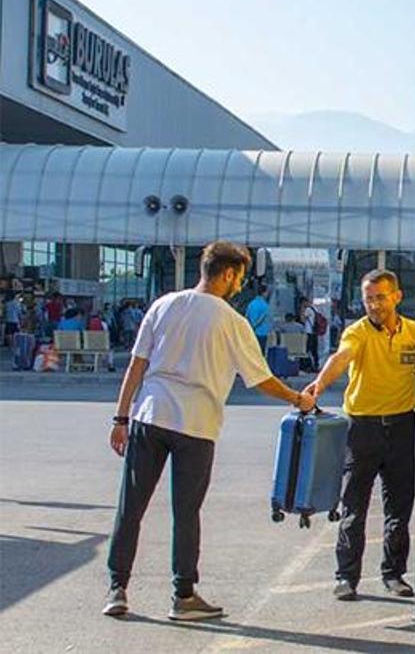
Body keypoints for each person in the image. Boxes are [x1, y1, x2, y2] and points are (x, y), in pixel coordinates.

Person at [102, 241, 316, 620]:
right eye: (240, 277)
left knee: (130, 507)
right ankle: (183, 596)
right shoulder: (232, 322)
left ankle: (117, 589)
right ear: (228, 274)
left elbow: (136, 366)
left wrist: (121, 419)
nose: (240, 285)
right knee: (186, 512)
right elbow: (260, 379)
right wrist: (297, 398)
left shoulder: (164, 304)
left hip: (149, 416)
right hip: (196, 424)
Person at [304, 270, 415, 601]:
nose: (374, 305)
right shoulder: (358, 332)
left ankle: (394, 574)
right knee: (354, 505)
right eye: (369, 299)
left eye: (381, 297)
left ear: (396, 297)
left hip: (402, 425)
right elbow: (341, 358)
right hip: (363, 428)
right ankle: (346, 577)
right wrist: (318, 386)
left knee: (400, 507)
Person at [245, 285, 272, 352]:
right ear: (264, 293)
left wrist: (250, 328)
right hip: (262, 333)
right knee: (261, 353)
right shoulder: (265, 305)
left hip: (252, 333)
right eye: (267, 292)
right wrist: (254, 326)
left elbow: (246, 317)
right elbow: (261, 319)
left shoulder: (251, 304)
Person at [299, 297, 319, 372]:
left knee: (307, 350)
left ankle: (307, 366)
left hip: (309, 332)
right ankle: (316, 365)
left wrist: (302, 310)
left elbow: (302, 320)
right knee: (314, 350)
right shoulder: (314, 309)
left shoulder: (307, 310)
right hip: (314, 332)